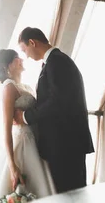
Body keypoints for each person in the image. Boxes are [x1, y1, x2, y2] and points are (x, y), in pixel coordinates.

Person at [14, 27, 94, 194]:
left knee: (70, 193)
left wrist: (26, 117)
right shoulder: (55, 62)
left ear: (32, 42)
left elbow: (57, 101)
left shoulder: (58, 62)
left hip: (66, 143)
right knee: (69, 193)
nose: (26, 56)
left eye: (25, 50)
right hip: (64, 142)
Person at [0, 48, 55, 201]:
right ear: (6, 66)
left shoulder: (24, 86)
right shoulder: (9, 87)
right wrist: (12, 166)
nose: (22, 59)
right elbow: (6, 129)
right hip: (22, 145)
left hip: (34, 142)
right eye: (17, 58)